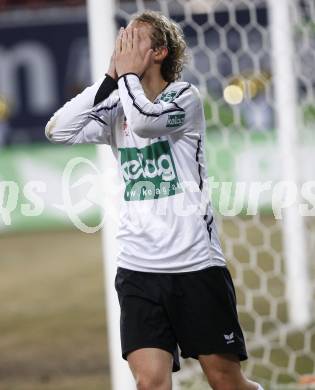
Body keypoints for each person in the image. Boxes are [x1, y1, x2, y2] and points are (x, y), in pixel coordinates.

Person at [45, 11, 264, 390]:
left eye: (136, 39)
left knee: (226, 381)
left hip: (194, 264)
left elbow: (146, 121)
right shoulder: (117, 107)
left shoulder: (185, 97)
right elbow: (58, 129)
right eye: (123, 38)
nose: (124, 43)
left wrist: (125, 77)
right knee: (149, 383)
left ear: (160, 51)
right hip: (139, 269)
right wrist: (110, 78)